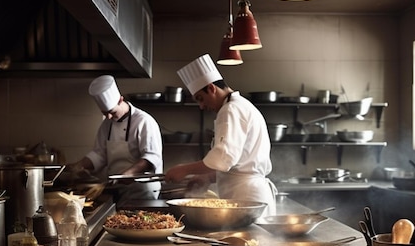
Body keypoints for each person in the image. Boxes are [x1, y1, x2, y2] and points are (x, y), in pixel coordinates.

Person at [164, 54, 277, 214]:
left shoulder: (230, 109)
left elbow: (223, 157)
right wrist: (208, 177)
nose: (202, 106)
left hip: (246, 197)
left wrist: (184, 169)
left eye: (201, 99)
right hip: (249, 195)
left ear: (211, 88)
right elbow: (239, 163)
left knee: (250, 239)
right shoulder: (240, 105)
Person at [67, 75, 163, 204]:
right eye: (104, 112)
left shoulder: (144, 121)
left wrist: (128, 174)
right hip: (116, 187)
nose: (108, 116)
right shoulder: (107, 124)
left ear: (120, 100)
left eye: (111, 112)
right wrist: (78, 166)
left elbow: (150, 157)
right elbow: (99, 154)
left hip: (141, 190)